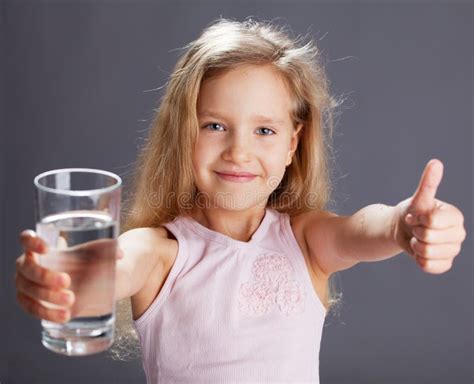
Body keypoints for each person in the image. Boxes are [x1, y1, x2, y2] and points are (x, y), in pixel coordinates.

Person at [14, 18, 466, 383]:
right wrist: (65, 279)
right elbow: (114, 264)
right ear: (183, 134)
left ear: (293, 144)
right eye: (214, 125)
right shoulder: (161, 252)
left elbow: (365, 228)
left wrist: (402, 225)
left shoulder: (305, 242)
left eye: (264, 130)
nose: (238, 151)